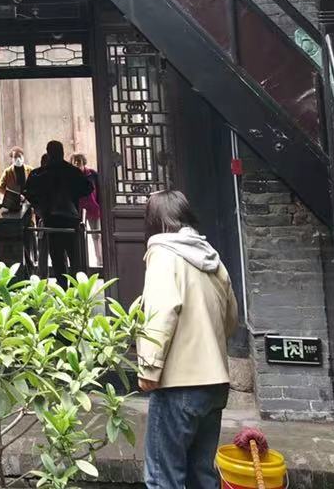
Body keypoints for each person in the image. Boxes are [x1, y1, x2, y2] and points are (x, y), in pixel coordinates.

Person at [137, 190, 239, 489]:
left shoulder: (163, 254)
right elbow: (231, 319)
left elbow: (161, 311)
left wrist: (149, 367)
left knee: (163, 478)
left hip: (178, 384)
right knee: (201, 475)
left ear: (154, 221)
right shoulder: (211, 257)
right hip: (215, 383)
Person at [27, 141, 90, 278]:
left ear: (48, 153)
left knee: (57, 260)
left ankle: (62, 287)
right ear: (62, 152)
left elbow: (28, 192)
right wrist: (73, 195)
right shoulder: (72, 171)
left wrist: (40, 206)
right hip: (71, 220)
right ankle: (76, 287)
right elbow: (88, 188)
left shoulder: (40, 174)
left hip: (52, 221)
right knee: (75, 259)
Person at [71, 153, 102, 269]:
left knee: (96, 235)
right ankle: (82, 263)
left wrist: (99, 205)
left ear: (83, 162)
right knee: (79, 237)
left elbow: (99, 190)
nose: (76, 164)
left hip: (93, 209)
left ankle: (100, 260)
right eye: (74, 162)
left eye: (79, 161)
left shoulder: (92, 174)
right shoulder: (71, 176)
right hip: (78, 210)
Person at [0, 147, 30, 214]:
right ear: (12, 159)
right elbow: (0, 188)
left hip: (28, 201)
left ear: (23, 157)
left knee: (28, 218)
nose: (18, 159)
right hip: (13, 204)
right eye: (15, 157)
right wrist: (12, 196)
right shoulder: (7, 172)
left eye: (19, 156)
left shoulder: (30, 170)